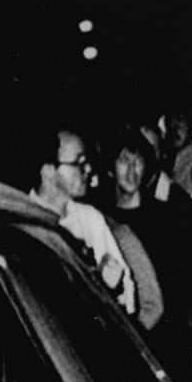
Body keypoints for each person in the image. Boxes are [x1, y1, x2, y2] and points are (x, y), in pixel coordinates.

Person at [109, 130, 192, 382]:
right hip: (130, 342)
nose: (132, 170)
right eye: (124, 161)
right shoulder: (102, 220)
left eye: (139, 162)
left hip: (170, 341)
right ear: (111, 167)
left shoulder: (167, 216)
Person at [31, 128, 136, 313]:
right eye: (78, 163)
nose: (87, 169)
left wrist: (111, 285)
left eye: (86, 162)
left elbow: (126, 292)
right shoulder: (24, 219)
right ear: (48, 171)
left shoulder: (90, 219)